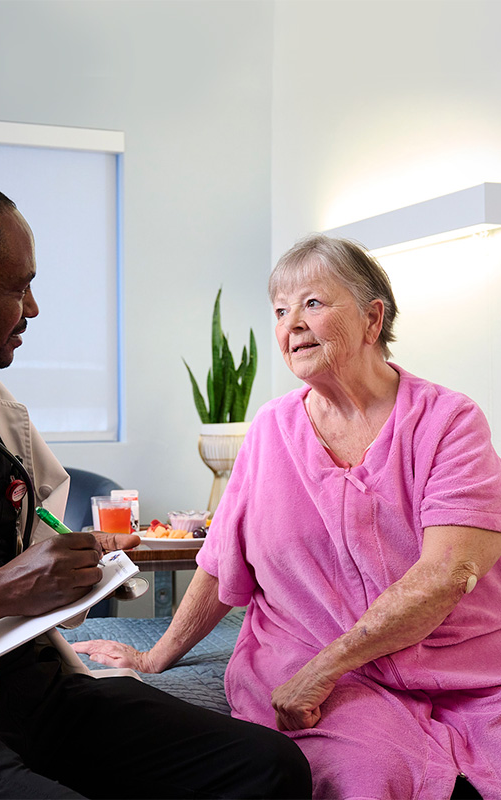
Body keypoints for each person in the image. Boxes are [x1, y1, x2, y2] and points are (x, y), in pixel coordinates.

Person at [0, 170, 311, 800]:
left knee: (270, 767)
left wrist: (77, 566)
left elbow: (31, 517)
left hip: (37, 687)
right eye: (20, 289)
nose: (34, 309)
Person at [74, 234, 501, 800]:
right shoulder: (272, 430)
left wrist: (327, 665)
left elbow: (450, 572)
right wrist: (154, 659)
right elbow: (221, 559)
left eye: (313, 304)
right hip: (314, 673)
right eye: (281, 310)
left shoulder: (449, 422)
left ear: (373, 320)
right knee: (372, 776)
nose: (291, 324)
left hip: (462, 670)